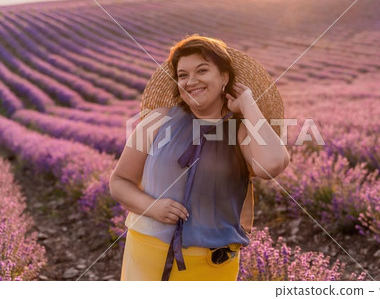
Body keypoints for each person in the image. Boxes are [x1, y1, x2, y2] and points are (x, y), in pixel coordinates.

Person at [109, 34, 290, 281]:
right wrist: (152, 207)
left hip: (212, 264)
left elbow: (272, 166)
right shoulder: (157, 120)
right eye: (183, 75)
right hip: (148, 253)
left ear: (224, 77)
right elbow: (119, 181)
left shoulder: (240, 129)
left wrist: (248, 104)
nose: (191, 81)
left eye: (202, 71)